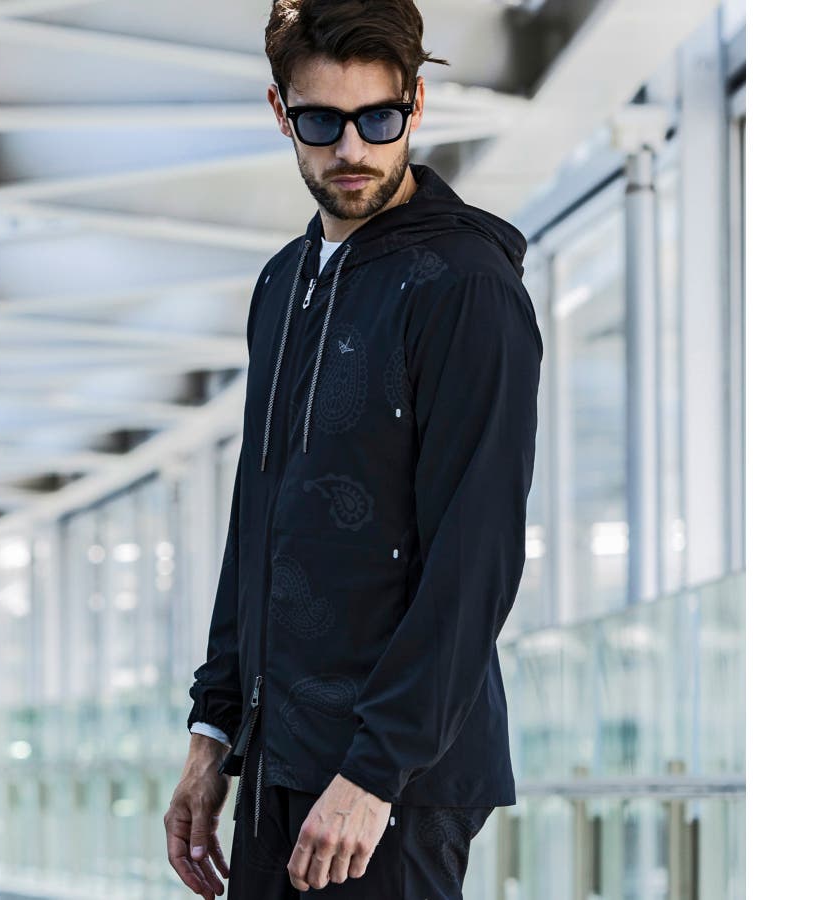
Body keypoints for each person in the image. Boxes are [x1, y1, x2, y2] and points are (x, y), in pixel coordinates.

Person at [164, 1, 543, 896]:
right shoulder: (283, 282)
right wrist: (213, 734)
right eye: (321, 123)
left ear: (416, 104)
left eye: (377, 119)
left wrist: (377, 772)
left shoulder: (466, 288)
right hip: (279, 757)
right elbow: (258, 524)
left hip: (394, 787)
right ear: (279, 110)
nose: (351, 150)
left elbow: (475, 557)